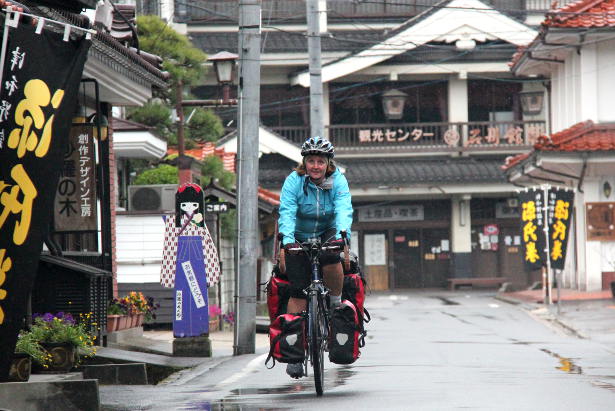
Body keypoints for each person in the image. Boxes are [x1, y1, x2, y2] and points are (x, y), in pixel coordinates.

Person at [278, 136, 353, 378]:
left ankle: (334, 304)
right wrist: (287, 239)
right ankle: (295, 356)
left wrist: (342, 235)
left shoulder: (338, 180)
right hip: (299, 235)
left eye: (321, 161)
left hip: (327, 231)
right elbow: (287, 211)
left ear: (328, 163)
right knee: (298, 291)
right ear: (305, 163)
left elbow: (343, 208)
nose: (316, 166)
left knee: (332, 259)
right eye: (311, 161)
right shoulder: (294, 181)